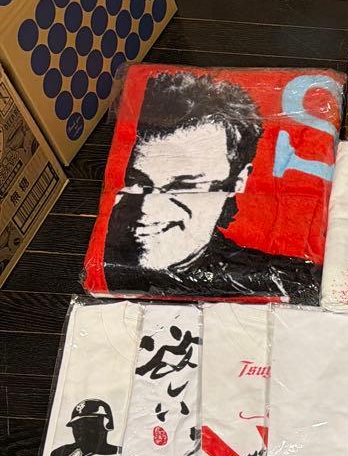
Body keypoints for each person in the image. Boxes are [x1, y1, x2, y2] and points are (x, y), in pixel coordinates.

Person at [103, 70, 317, 301]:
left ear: (237, 182)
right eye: (137, 182)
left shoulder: (287, 281)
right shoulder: (103, 264)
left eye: (186, 187)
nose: (148, 208)